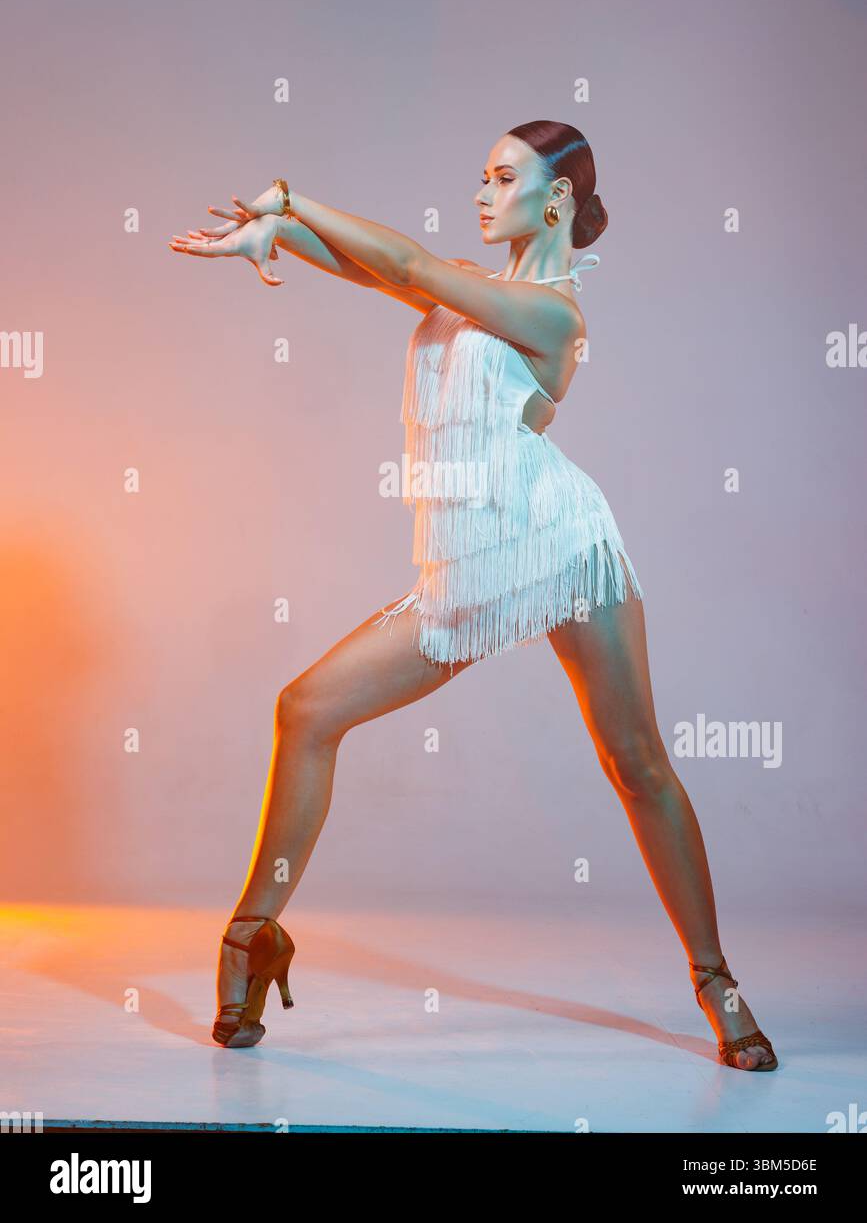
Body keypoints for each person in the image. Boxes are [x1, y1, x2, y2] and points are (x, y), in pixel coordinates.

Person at [169, 121, 777, 1070]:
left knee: (636, 764)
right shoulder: (471, 286)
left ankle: (714, 980)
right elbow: (381, 269)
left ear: (557, 200)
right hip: (468, 571)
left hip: (564, 547)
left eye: (503, 178)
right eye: (481, 177)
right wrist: (275, 237)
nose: (482, 193)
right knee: (306, 711)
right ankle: (254, 933)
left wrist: (290, 198)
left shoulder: (553, 313)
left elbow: (405, 260)